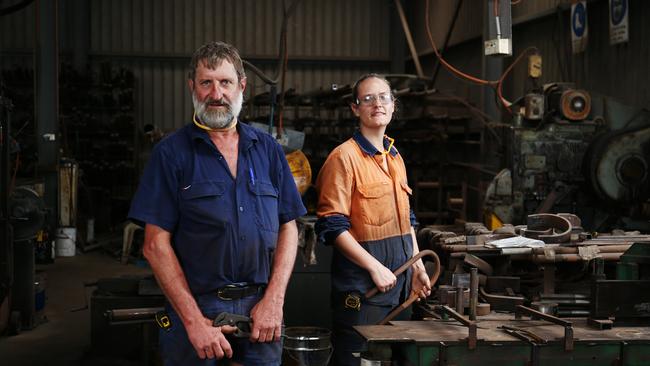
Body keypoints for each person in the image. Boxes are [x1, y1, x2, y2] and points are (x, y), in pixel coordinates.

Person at [128, 41, 307, 366]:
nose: (216, 93)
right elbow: (155, 245)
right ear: (191, 87)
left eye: (224, 82)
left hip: (261, 311)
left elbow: (289, 227)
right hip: (198, 311)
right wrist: (193, 322)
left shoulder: (267, 150)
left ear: (241, 85)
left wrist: (274, 301)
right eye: (206, 82)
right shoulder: (171, 154)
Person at [315, 73, 431, 366]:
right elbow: (332, 226)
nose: (377, 104)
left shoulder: (395, 157)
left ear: (393, 105)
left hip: (401, 290)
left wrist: (416, 266)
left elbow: (408, 220)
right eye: (367, 98)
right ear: (355, 108)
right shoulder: (343, 158)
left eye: (383, 97)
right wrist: (375, 268)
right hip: (363, 293)